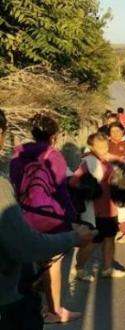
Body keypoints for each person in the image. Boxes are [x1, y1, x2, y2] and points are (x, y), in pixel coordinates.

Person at [0, 108, 97, 330]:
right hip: (50, 215)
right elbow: (61, 191)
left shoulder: (17, 155)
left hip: (22, 213)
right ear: (53, 136)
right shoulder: (54, 156)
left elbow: (15, 184)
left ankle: (43, 304)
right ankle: (54, 310)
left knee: (30, 265)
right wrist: (73, 221)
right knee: (51, 262)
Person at [69, 132, 125, 282]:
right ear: (91, 147)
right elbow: (73, 182)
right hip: (95, 210)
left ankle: (107, 268)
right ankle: (79, 268)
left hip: (111, 207)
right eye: (100, 147)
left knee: (110, 238)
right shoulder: (87, 162)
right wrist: (89, 186)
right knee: (92, 241)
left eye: (105, 146)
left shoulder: (111, 159)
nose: (103, 149)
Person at [107, 122, 125, 243]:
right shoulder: (106, 145)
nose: (115, 134)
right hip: (109, 179)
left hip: (124, 179)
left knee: (123, 206)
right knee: (113, 206)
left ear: (123, 132)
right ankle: (121, 229)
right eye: (112, 131)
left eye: (118, 131)